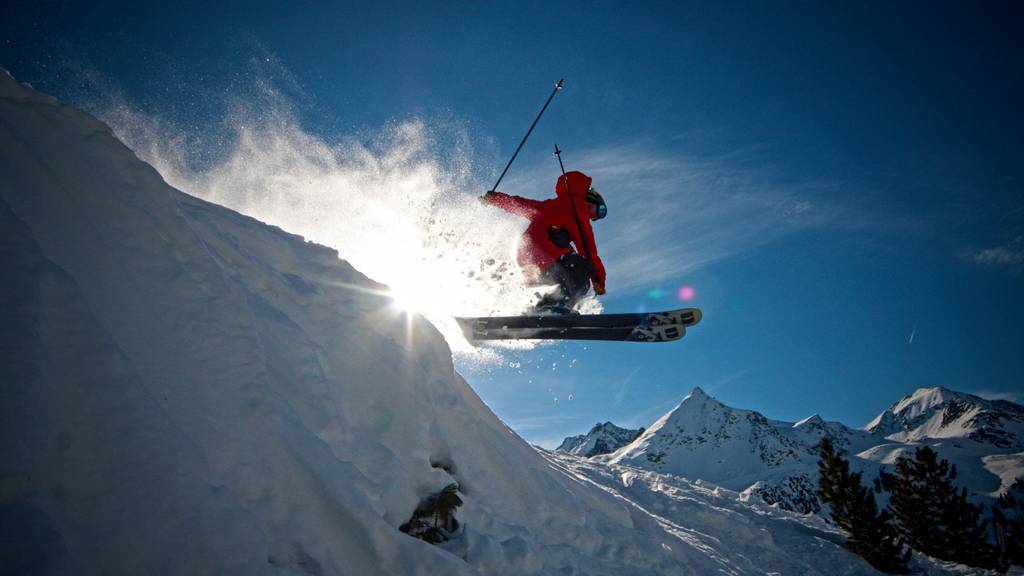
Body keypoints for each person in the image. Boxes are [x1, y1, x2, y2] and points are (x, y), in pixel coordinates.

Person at [481, 170, 607, 312]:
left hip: (527, 258)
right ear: (587, 197)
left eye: (593, 217)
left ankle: (541, 310)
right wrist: (598, 281)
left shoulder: (548, 205)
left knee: (566, 276)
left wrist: (495, 199)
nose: (589, 216)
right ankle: (553, 307)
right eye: (593, 210)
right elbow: (588, 250)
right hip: (547, 254)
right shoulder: (578, 208)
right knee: (582, 272)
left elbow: (520, 205)